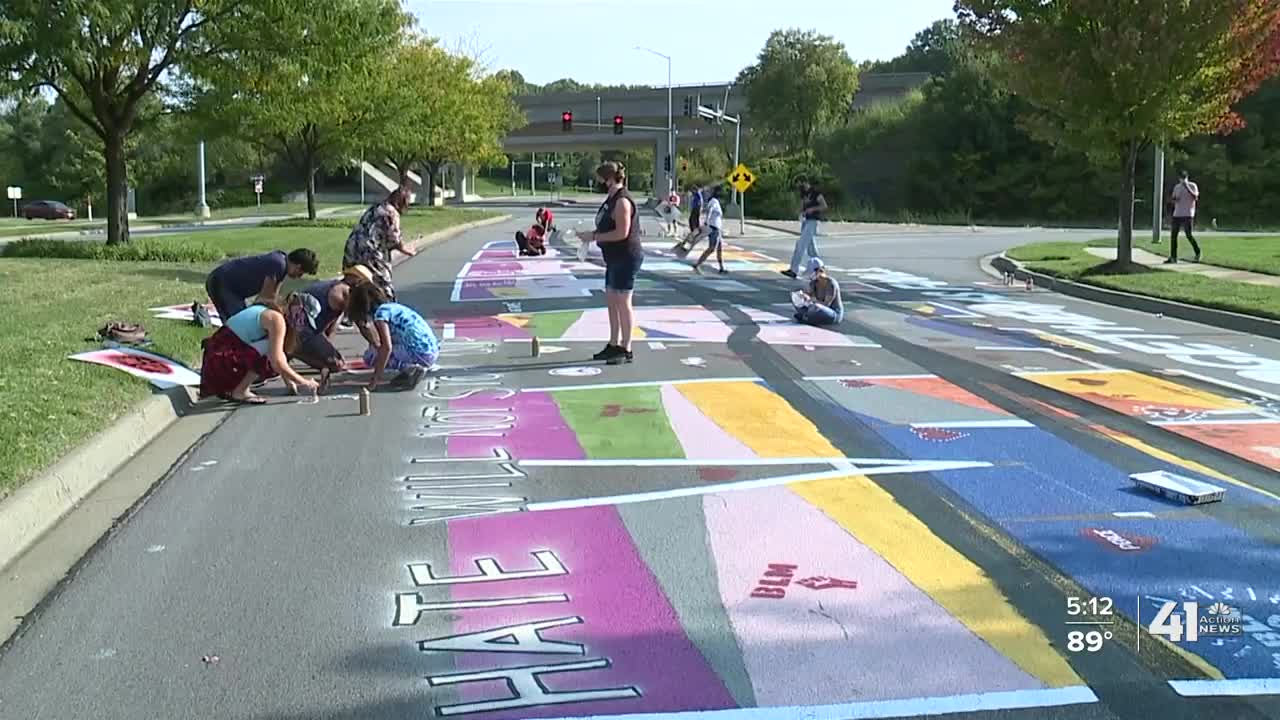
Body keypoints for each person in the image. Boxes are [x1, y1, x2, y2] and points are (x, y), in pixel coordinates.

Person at [198, 301, 318, 404]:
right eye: (303, 318)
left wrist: (290, 383)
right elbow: (277, 361)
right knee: (269, 353)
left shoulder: (273, 312)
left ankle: (237, 389)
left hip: (216, 360)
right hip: (219, 361)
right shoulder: (276, 319)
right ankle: (240, 391)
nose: (302, 324)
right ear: (296, 308)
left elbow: (279, 354)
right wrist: (304, 382)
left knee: (271, 349)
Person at [587, 161, 643, 365]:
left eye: (601, 179)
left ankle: (626, 347)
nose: (599, 183)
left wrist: (594, 237)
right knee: (611, 300)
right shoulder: (611, 198)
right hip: (613, 257)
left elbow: (622, 232)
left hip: (626, 256)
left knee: (623, 301)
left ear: (610, 179)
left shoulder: (622, 201)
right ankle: (613, 343)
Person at [287, 265, 377, 391]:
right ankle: (293, 350)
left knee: (331, 358)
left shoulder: (336, 287)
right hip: (299, 329)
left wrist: (326, 348)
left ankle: (292, 351)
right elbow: (361, 323)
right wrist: (377, 346)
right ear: (353, 280)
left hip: (299, 326)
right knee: (336, 364)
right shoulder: (341, 294)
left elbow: (331, 325)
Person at [345, 284, 441, 391]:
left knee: (370, 357)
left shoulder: (381, 315)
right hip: (431, 351)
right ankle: (410, 368)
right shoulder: (391, 307)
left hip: (420, 353)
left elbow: (386, 348)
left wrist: (374, 380)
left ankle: (410, 368)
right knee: (378, 351)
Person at [204, 248, 318, 324]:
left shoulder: (282, 264)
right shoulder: (278, 264)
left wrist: (282, 307)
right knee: (239, 326)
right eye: (301, 273)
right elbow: (264, 298)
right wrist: (283, 313)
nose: (299, 276)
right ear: (298, 266)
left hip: (233, 290)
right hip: (222, 283)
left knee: (239, 325)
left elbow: (273, 296)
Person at [343, 186, 417, 300]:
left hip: (353, 248)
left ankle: (355, 309)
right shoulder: (392, 212)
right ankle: (387, 309)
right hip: (371, 252)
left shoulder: (376, 207)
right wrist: (407, 250)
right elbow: (394, 238)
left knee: (355, 283)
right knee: (383, 286)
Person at [782, 180, 827, 279]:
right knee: (811, 248)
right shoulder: (803, 193)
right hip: (805, 221)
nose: (800, 186)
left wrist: (812, 209)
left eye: (800, 183)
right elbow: (802, 205)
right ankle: (820, 268)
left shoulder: (816, 193)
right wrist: (801, 212)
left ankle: (794, 270)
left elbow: (824, 206)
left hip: (813, 221)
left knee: (800, 245)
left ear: (806, 182)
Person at [793, 258, 843, 327]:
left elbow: (826, 304)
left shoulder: (830, 283)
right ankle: (807, 316)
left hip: (833, 313)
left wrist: (813, 301)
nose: (810, 275)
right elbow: (810, 296)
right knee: (797, 298)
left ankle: (807, 317)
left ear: (819, 271)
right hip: (817, 308)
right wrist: (804, 296)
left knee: (816, 307)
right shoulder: (813, 283)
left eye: (812, 272)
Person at [690, 185, 727, 274]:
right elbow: (710, 210)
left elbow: (708, 210)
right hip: (714, 228)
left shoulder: (714, 201)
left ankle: (721, 267)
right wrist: (707, 221)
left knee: (719, 248)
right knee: (712, 248)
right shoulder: (714, 201)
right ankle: (697, 264)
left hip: (716, 228)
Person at [1168, 170, 1202, 263]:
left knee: (1188, 235)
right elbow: (1173, 199)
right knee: (1173, 235)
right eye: (1181, 179)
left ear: (1187, 178)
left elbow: (1195, 197)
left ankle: (1198, 252)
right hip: (1177, 213)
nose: (1182, 180)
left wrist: (1187, 187)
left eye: (1184, 178)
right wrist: (1175, 199)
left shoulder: (1192, 185)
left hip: (1188, 214)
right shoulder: (1177, 187)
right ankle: (1173, 257)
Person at [672, 185, 704, 256]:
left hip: (696, 210)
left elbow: (700, 203)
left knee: (693, 222)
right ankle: (693, 232)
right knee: (691, 222)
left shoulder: (698, 194)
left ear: (695, 190)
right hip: (695, 210)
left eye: (692, 190)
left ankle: (694, 233)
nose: (691, 192)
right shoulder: (696, 195)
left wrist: (699, 209)